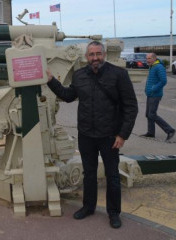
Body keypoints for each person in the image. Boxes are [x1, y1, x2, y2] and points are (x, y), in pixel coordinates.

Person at [46, 41, 138, 229]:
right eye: (91, 55)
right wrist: (51, 80)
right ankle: (88, 207)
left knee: (112, 176)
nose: (95, 58)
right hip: (86, 134)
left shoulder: (119, 75)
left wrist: (122, 135)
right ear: (86, 57)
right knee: (89, 174)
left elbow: (131, 107)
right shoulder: (80, 75)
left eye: (98, 54)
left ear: (103, 54)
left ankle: (114, 213)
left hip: (110, 135)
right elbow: (68, 95)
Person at [140, 53, 176, 141]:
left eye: (149, 58)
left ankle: (170, 130)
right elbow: (151, 80)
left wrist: (153, 89)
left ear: (154, 58)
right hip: (150, 94)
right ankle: (151, 133)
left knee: (152, 114)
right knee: (148, 114)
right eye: (146, 58)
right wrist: (147, 89)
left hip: (155, 94)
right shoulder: (152, 66)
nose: (147, 60)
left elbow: (163, 81)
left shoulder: (158, 67)